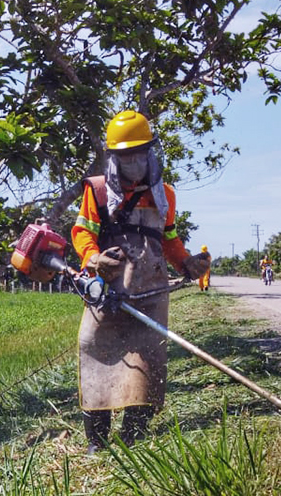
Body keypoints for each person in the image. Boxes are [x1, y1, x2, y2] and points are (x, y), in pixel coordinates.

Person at [71, 110, 208, 453]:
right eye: (124, 156)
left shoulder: (166, 195)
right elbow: (82, 233)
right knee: (95, 352)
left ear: (150, 153)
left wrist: (187, 263)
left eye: (138, 153)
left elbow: (169, 240)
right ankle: (97, 441)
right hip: (108, 289)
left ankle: (134, 432)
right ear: (114, 158)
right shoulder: (99, 192)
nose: (132, 162)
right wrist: (93, 260)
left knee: (147, 360)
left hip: (151, 288)